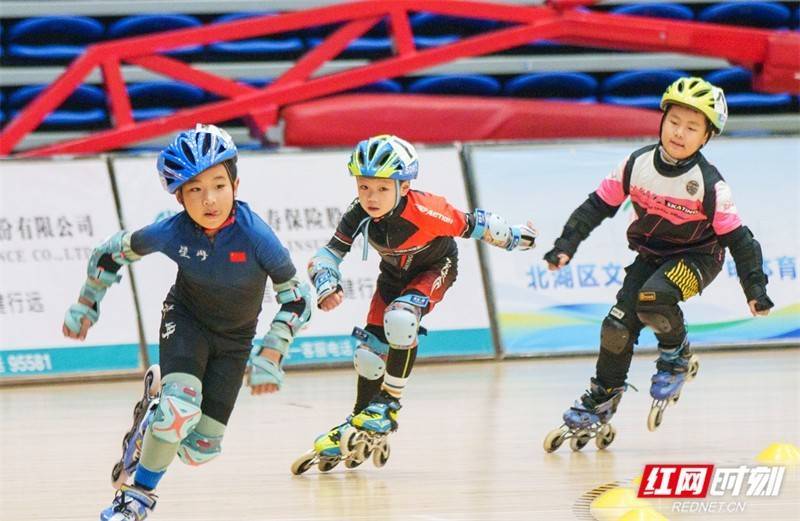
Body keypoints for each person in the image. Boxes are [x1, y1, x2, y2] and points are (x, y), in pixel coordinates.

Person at [62, 124, 312, 519]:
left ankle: (151, 419)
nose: (209, 199)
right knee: (179, 411)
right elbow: (110, 253)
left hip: (235, 342)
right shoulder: (171, 230)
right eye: (194, 190)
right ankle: (135, 499)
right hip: (186, 321)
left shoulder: (256, 236)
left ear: (236, 184)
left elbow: (297, 299)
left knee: (199, 450)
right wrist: (86, 304)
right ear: (179, 196)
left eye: (218, 185)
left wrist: (273, 349)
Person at [541, 77, 774, 452]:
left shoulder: (710, 185)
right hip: (651, 256)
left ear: (706, 137)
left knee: (653, 298)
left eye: (692, 127)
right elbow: (595, 207)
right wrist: (564, 245)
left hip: (699, 258)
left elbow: (741, 242)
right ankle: (603, 397)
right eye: (674, 121)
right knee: (616, 327)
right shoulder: (636, 164)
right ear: (662, 120)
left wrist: (756, 289)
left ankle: (677, 357)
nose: (679, 133)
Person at [292, 134, 537, 474]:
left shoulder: (427, 209)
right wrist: (325, 282)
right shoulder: (357, 212)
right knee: (369, 355)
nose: (371, 197)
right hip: (393, 277)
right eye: (364, 187)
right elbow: (327, 254)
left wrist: (515, 237)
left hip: (434, 269)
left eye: (382, 188)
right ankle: (361, 419)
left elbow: (475, 224)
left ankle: (389, 404)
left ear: (404, 187)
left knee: (401, 319)